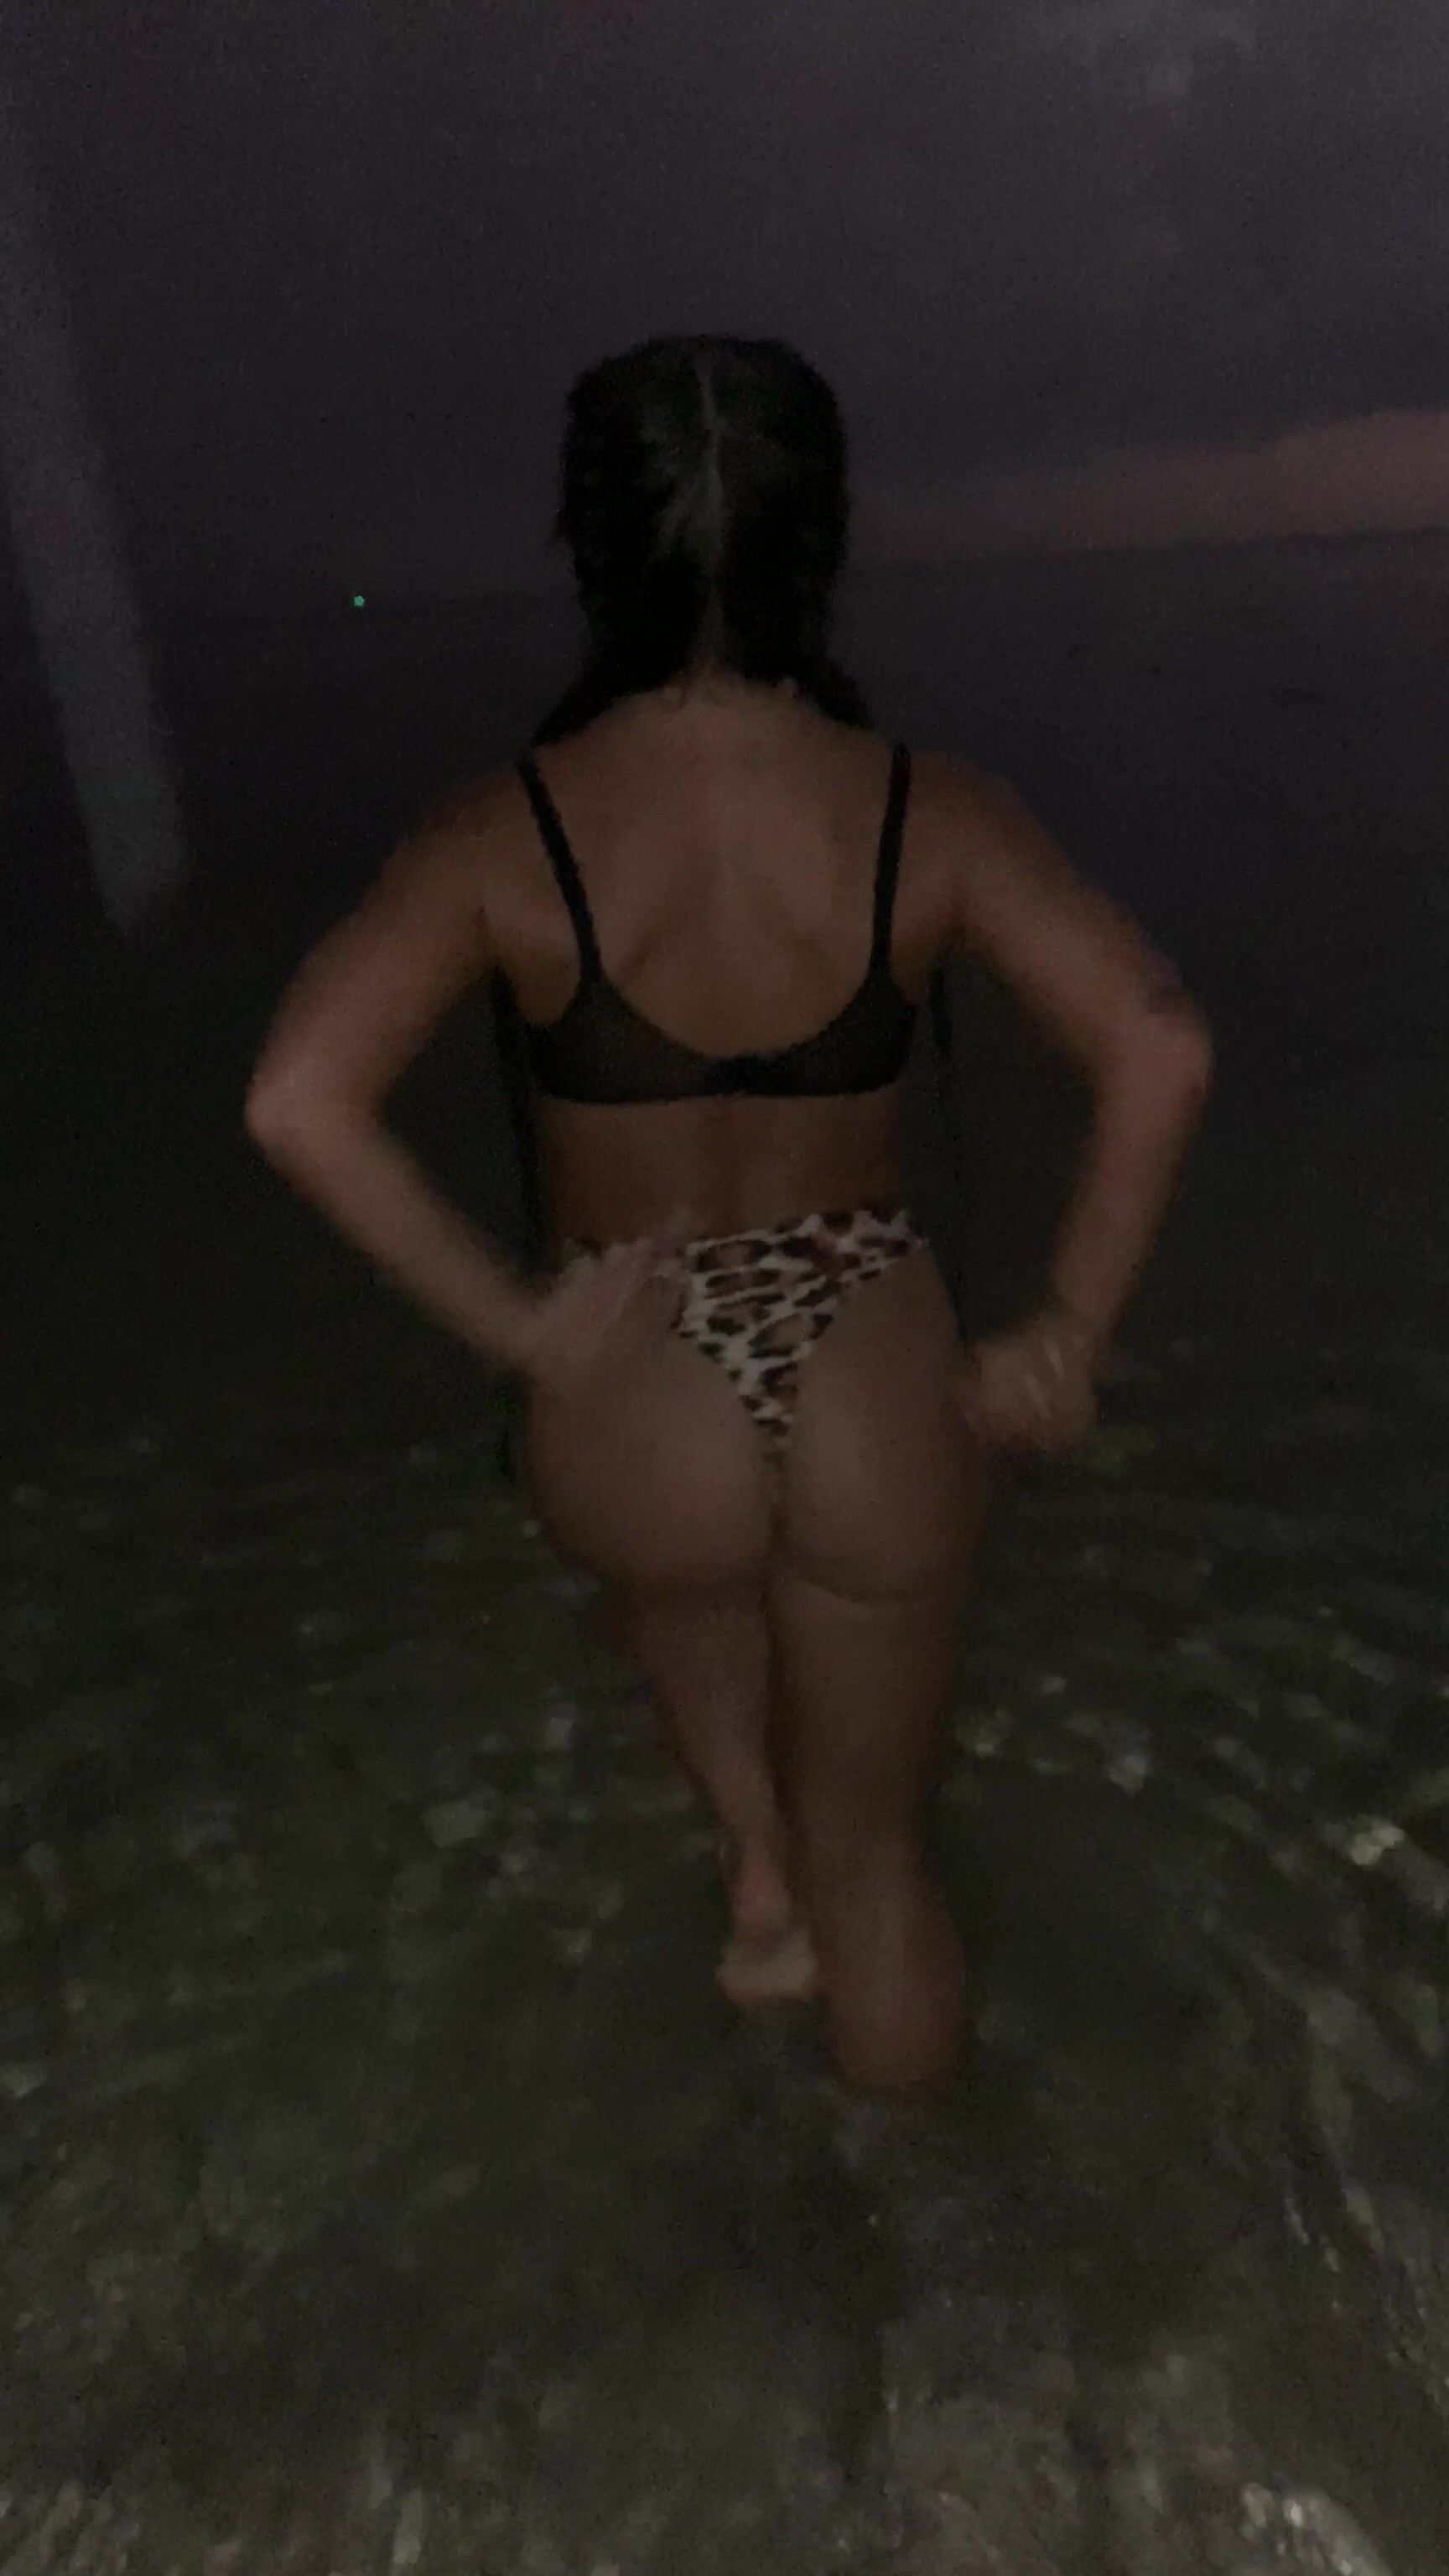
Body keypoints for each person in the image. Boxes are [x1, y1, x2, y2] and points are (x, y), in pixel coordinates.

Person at [245, 335, 1212, 2094]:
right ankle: (928, 2210)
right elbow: (1159, 1045)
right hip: (868, 1353)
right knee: (882, 1862)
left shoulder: (505, 832)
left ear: (591, 544)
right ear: (817, 537)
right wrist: (1067, 1331)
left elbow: (298, 1101)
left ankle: (759, 1886)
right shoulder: (923, 808)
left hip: (637, 1371)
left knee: (695, 1635)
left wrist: (519, 1329)